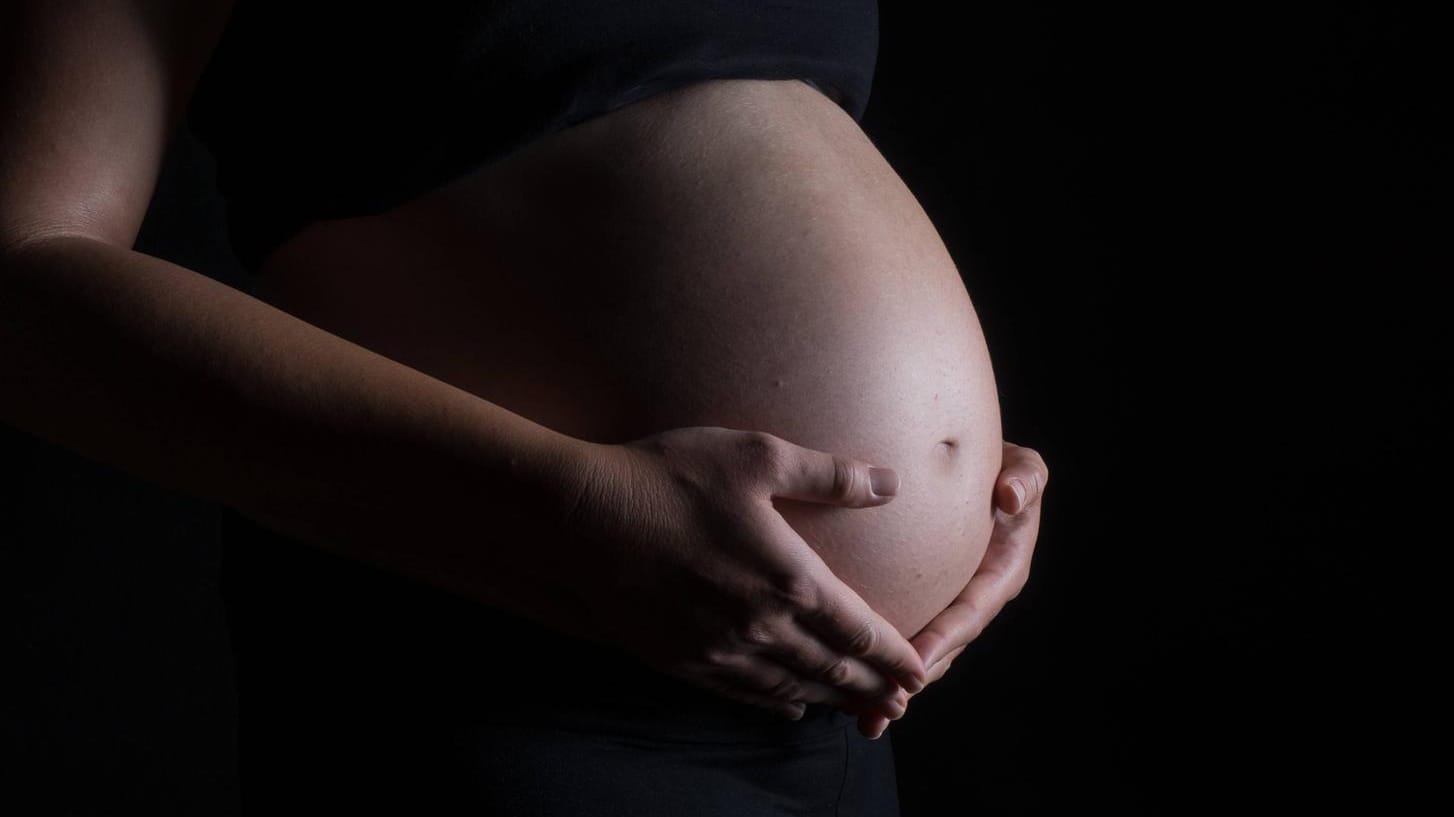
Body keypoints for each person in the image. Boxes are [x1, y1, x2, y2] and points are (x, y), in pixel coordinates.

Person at [0, 1, 1049, 814]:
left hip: (838, 713)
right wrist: (571, 512)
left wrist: (954, 471)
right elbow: (24, 279)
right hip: (507, 650)